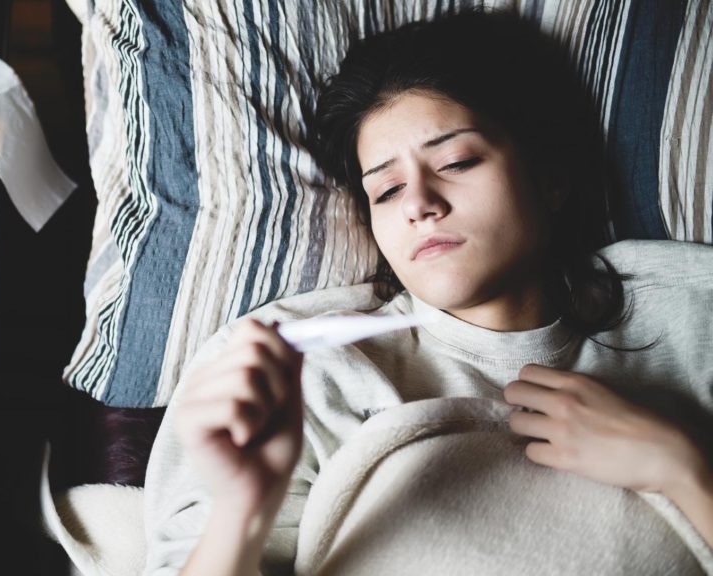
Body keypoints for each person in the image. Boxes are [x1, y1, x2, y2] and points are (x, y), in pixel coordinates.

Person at [142, 9, 713, 575]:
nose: (419, 203)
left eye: (456, 161)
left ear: (550, 177)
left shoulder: (689, 313)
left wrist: (682, 469)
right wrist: (243, 510)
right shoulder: (296, 371)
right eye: (386, 190)